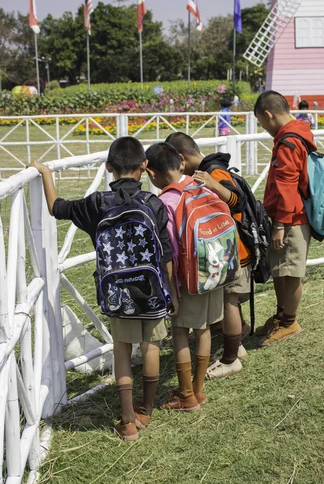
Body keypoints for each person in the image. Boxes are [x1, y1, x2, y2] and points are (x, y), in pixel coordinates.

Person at [28, 137, 177, 442]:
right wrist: (171, 292)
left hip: (117, 293)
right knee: (151, 347)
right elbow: (166, 254)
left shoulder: (97, 203)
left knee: (121, 350)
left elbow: (57, 207)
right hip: (152, 290)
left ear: (108, 167)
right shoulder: (154, 203)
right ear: (145, 166)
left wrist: (45, 173)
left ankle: (127, 421)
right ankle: (145, 410)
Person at [145, 142, 225, 409]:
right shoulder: (199, 184)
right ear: (180, 163)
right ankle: (199, 390)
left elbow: (169, 252)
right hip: (213, 269)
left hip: (185, 278)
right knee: (203, 330)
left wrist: (170, 291)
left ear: (152, 173)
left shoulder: (165, 201)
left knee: (179, 332)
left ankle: (185, 394)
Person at [166, 132, 250, 379]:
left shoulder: (212, 173)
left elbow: (238, 202)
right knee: (227, 302)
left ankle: (230, 359)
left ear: (180, 159)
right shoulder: (203, 172)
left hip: (230, 251)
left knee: (229, 302)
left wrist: (213, 185)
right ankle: (235, 347)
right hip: (222, 251)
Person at [254, 90, 317, 346]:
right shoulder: (297, 133)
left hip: (291, 218)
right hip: (290, 215)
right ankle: (282, 316)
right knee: (281, 269)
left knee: (290, 273)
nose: (263, 127)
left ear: (268, 115)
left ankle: (290, 322)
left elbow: (287, 185)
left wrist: (280, 224)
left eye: (261, 122)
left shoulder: (288, 142)